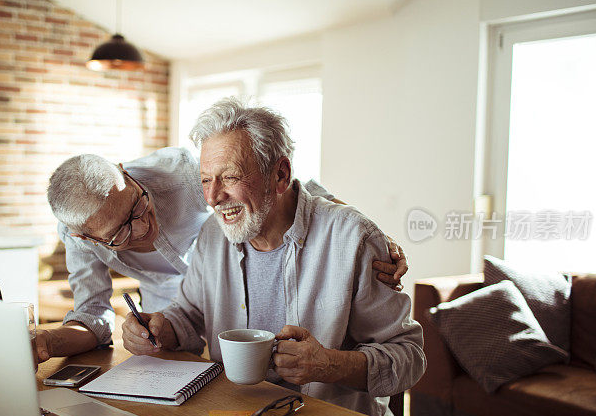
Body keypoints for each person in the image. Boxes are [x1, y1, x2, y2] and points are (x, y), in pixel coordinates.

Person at [122, 98, 425, 416]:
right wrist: (160, 328)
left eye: (230, 177)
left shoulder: (353, 238)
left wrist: (329, 365)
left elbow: (409, 357)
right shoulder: (212, 234)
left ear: (280, 175)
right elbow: (189, 313)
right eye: (206, 180)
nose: (213, 198)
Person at [40, 147, 408, 365]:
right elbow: (91, 314)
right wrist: (46, 341)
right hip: (167, 313)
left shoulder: (184, 173)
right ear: (84, 236)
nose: (141, 229)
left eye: (138, 205)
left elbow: (290, 192)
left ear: (125, 172)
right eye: (119, 233)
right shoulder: (77, 236)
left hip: (228, 287)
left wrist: (367, 233)